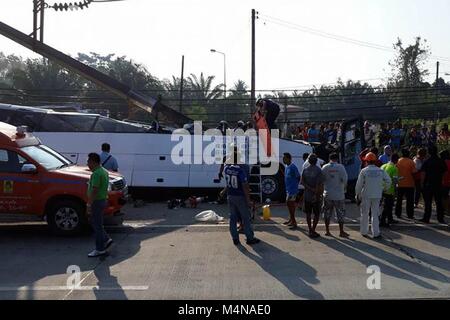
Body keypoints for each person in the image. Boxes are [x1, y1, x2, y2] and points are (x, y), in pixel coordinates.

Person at [224, 146, 260, 246]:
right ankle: (249, 238)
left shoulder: (227, 168)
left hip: (230, 195)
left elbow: (227, 183)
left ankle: (235, 238)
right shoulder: (240, 170)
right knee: (246, 218)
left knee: (233, 218)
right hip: (240, 196)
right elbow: (245, 186)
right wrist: (248, 200)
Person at [355, 152, 391, 239]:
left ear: (366, 161)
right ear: (375, 161)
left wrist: (357, 195)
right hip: (377, 195)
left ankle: (364, 231)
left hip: (366, 195)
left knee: (364, 213)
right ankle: (376, 233)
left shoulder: (364, 171)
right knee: (375, 214)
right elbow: (389, 181)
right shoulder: (380, 171)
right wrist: (383, 189)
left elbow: (359, 185)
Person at [87, 153, 113, 257]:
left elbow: (95, 189)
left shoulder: (96, 173)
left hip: (96, 201)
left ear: (93, 162)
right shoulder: (104, 171)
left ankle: (100, 249)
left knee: (97, 226)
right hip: (102, 199)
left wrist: (89, 203)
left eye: (88, 162)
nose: (87, 164)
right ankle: (106, 239)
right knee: (97, 223)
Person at [321, 152, 349, 237]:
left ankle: (327, 231)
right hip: (339, 195)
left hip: (327, 194)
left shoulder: (325, 167)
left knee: (327, 213)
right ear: (337, 159)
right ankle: (341, 231)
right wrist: (344, 188)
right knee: (340, 213)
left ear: (329, 159)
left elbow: (321, 180)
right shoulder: (341, 167)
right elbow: (345, 180)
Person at [419, 146, 447, 224]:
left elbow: (423, 173)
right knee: (439, 202)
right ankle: (440, 218)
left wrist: (421, 184)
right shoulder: (441, 161)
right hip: (438, 184)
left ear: (429, 152)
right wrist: (443, 181)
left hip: (428, 184)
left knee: (428, 202)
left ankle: (426, 218)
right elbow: (445, 172)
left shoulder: (427, 161)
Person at [301, 154, 325, 238]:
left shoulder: (305, 170)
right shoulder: (319, 170)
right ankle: (313, 230)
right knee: (316, 214)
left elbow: (302, 182)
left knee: (308, 213)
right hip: (316, 196)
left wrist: (309, 188)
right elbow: (319, 184)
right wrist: (315, 192)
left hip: (307, 195)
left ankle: (310, 229)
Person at [395, 148, 417, 219]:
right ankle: (410, 214)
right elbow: (414, 173)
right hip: (410, 184)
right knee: (410, 201)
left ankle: (398, 213)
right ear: (408, 154)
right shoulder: (411, 162)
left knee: (399, 200)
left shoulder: (398, 161)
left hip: (400, 183)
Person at [380, 153, 400, 227]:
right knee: (388, 206)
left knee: (385, 206)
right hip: (389, 190)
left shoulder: (383, 166)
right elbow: (395, 181)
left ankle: (390, 218)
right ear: (396, 160)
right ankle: (382, 221)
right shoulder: (394, 168)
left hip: (381, 189)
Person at [282, 153, 301, 229]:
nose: (283, 160)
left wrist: (295, 186)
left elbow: (298, 177)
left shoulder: (293, 167)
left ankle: (294, 222)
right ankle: (291, 220)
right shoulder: (286, 166)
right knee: (289, 205)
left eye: (285, 158)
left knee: (290, 204)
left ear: (289, 159)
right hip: (288, 189)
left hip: (292, 190)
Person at [440, 150, 450, 217]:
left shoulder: (442, 162)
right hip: (448, 181)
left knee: (443, 196)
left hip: (443, 181)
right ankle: (448, 210)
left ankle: (444, 210)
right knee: (448, 196)